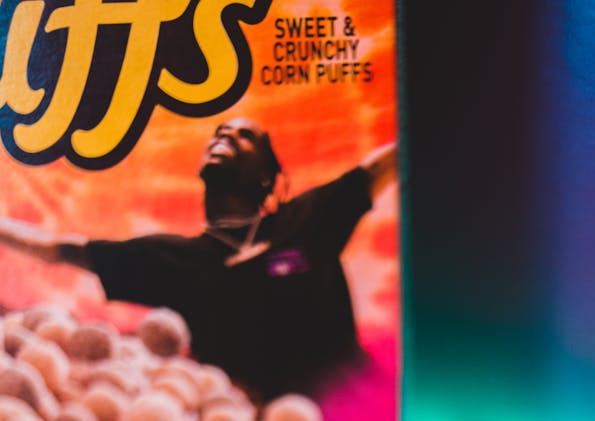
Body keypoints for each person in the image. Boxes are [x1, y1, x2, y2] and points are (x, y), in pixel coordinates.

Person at [0, 120, 397, 404]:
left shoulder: (308, 219)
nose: (225, 138)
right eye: (219, 134)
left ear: (267, 177)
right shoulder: (175, 260)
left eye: (244, 137)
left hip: (351, 415)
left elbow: (383, 165)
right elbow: (61, 249)